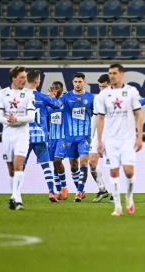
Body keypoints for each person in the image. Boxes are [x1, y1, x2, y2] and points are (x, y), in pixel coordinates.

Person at [96, 63, 143, 216]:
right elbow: (100, 119)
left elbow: (139, 115)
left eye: (115, 73)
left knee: (129, 172)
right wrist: (99, 141)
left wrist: (139, 137)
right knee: (114, 172)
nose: (112, 75)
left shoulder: (131, 92)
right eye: (110, 73)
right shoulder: (103, 95)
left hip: (128, 139)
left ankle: (129, 197)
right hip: (110, 140)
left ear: (122, 74)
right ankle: (117, 207)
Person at [0, 66, 35, 210]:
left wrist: (16, 119)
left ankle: (17, 198)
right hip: (7, 134)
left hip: (22, 134)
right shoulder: (2, 93)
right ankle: (14, 196)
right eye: (22, 77)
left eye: (25, 77)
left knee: (19, 165)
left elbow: (31, 117)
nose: (25, 80)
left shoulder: (29, 94)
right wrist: (8, 121)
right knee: (11, 168)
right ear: (14, 79)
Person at [54, 72, 94, 202]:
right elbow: (55, 106)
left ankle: (79, 192)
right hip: (68, 136)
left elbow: (99, 114)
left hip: (84, 136)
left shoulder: (91, 98)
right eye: (75, 82)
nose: (77, 84)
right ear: (73, 83)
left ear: (84, 82)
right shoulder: (66, 97)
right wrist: (53, 99)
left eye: (80, 81)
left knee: (83, 162)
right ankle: (65, 187)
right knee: (62, 162)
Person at [23, 70, 61, 202]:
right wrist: (51, 96)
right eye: (39, 79)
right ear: (36, 81)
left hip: (25, 136)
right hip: (40, 136)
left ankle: (16, 194)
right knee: (45, 165)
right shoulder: (42, 97)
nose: (39, 81)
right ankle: (51, 192)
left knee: (20, 166)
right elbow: (57, 106)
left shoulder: (21, 96)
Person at [90, 74, 110, 203]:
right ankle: (102, 189)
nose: (102, 89)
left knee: (114, 166)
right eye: (100, 86)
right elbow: (95, 117)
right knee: (92, 162)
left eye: (104, 86)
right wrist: (92, 136)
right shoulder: (97, 98)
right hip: (99, 134)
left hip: (113, 135)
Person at [47, 81, 68, 200]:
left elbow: (59, 106)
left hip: (63, 136)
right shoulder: (48, 102)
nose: (54, 91)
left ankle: (64, 188)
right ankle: (58, 191)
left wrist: (52, 98)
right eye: (52, 88)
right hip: (52, 137)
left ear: (61, 89)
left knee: (58, 160)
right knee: (54, 164)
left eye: (57, 89)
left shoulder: (64, 100)